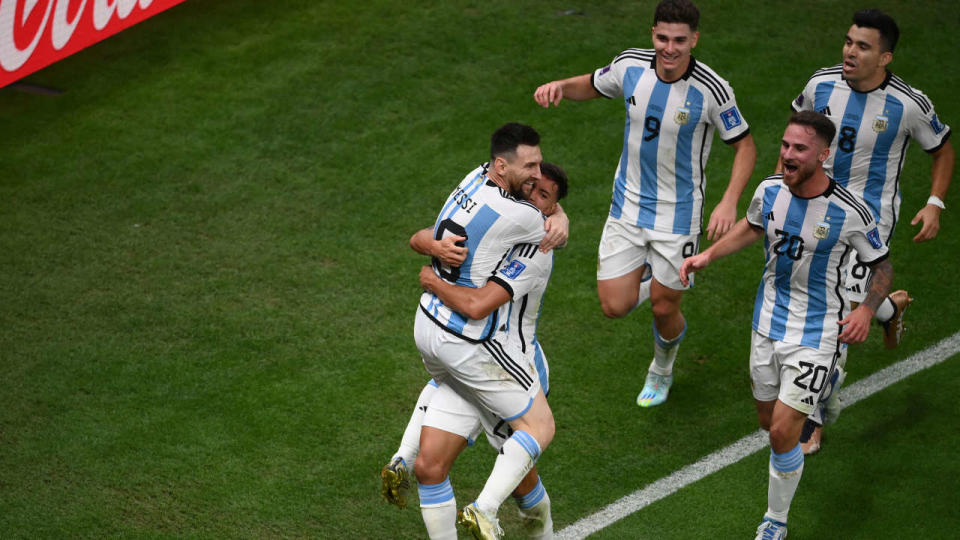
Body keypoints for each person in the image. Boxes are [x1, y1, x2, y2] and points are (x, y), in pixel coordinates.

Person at [679, 111, 894, 539]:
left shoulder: (851, 212)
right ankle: (827, 385)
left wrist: (867, 309)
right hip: (766, 324)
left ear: (824, 154)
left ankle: (775, 522)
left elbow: (882, 266)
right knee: (767, 421)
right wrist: (709, 255)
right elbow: (752, 226)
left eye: (799, 149)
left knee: (782, 433)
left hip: (816, 334)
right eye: (785, 145)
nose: (788, 155)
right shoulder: (769, 190)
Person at [533, 0, 756, 407]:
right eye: (662, 38)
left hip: (678, 216)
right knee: (613, 307)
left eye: (679, 41)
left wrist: (728, 201)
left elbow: (744, 146)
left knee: (663, 305)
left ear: (694, 40)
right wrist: (561, 87)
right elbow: (592, 83)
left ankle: (662, 369)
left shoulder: (713, 89)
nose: (669, 49)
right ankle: (653, 271)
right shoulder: (631, 65)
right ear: (653, 33)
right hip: (628, 207)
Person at [789, 8, 954, 453]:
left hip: (869, 222)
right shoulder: (819, 84)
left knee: (835, 314)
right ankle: (889, 310)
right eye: (848, 42)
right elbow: (796, 137)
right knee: (828, 298)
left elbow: (941, 150)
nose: (850, 51)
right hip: (814, 209)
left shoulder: (908, 104)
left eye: (863, 46)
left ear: (885, 58)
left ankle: (813, 417)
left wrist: (934, 204)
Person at [382, 165, 569, 540]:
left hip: (512, 366)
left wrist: (433, 282)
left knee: (523, 487)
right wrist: (434, 245)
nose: (533, 196)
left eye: (545, 197)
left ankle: (529, 527)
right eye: (531, 186)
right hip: (474, 360)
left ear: (550, 212)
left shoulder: (536, 250)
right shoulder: (496, 223)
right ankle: (405, 458)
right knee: (429, 468)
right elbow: (424, 236)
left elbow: (478, 305)